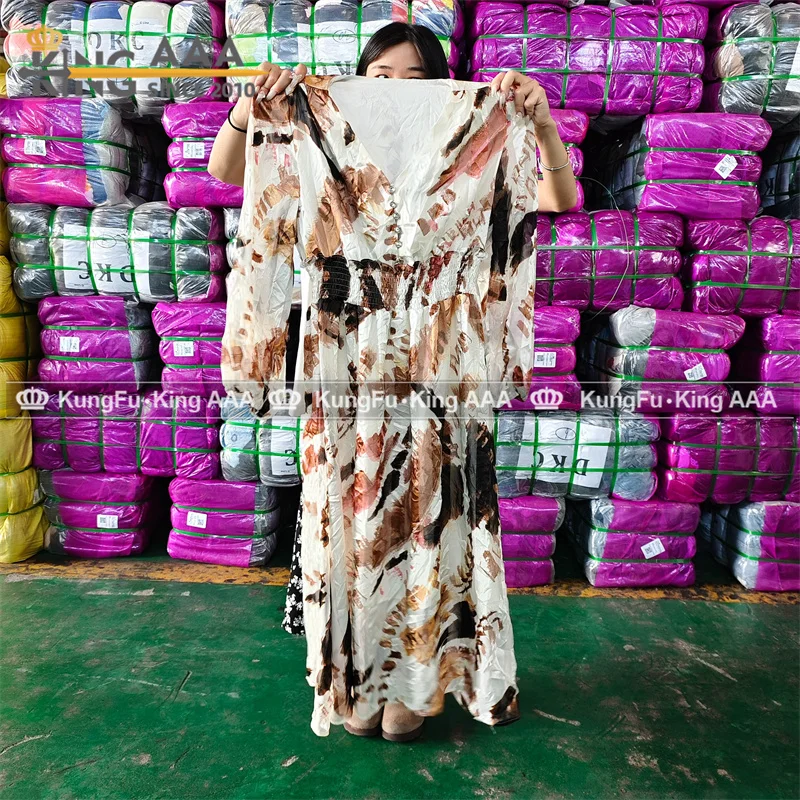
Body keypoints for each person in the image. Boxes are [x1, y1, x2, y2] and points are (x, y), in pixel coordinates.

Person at [210, 23, 576, 742]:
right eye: (381, 74)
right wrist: (251, 106)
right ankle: (357, 675)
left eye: (416, 76)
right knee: (353, 514)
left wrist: (540, 122)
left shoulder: (476, 132)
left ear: (443, 84)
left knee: (430, 514)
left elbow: (554, 201)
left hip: (442, 363)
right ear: (359, 76)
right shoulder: (318, 124)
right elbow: (233, 174)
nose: (397, 89)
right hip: (346, 356)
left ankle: (419, 680)